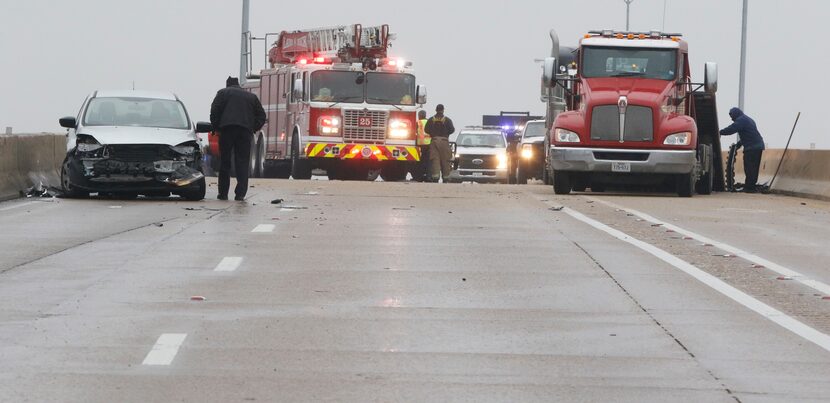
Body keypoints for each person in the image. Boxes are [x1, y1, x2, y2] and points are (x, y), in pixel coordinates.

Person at [210, 76, 266, 201]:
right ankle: (240, 194)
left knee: (225, 162)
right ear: (238, 85)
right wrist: (252, 128)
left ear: (227, 85)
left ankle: (223, 193)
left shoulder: (222, 93)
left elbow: (214, 111)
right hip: (245, 132)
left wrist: (216, 127)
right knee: (242, 162)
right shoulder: (251, 97)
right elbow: (262, 116)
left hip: (227, 130)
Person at [720, 107, 765, 193]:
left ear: (735, 114)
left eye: (731, 116)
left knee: (749, 168)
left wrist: (720, 132)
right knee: (753, 168)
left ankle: (749, 188)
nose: (731, 118)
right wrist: (739, 144)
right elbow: (748, 134)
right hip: (757, 146)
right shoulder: (748, 119)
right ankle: (751, 186)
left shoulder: (741, 120)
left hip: (752, 147)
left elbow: (732, 129)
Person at [424, 104, 455, 182]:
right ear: (443, 110)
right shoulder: (447, 120)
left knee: (435, 160)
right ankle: (446, 178)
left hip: (434, 141)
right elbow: (452, 130)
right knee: (446, 160)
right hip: (444, 142)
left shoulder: (431, 120)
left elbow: (426, 130)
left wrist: (433, 133)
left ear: (436, 110)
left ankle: (435, 177)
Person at [414, 110, 431, 181]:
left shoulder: (418, 122)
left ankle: (419, 177)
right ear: (425, 115)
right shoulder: (429, 122)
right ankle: (428, 176)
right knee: (428, 162)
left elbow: (414, 133)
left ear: (419, 115)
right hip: (429, 145)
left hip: (420, 145)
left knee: (420, 162)